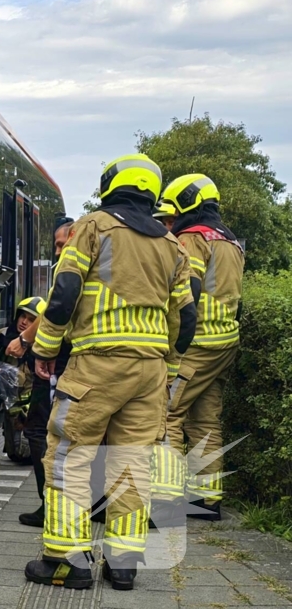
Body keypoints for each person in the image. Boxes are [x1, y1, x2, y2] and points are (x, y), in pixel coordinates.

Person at [22, 154, 197, 592]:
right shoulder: (172, 245)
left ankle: (67, 561)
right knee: (132, 464)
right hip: (150, 371)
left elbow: (64, 291)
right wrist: (170, 367)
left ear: (110, 186)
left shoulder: (93, 227)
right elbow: (186, 319)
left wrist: (46, 348)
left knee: (70, 457)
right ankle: (122, 565)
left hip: (97, 364)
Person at [157, 174, 244, 521]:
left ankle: (163, 501)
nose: (173, 220)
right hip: (224, 343)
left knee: (166, 415)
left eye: (174, 212)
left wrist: (173, 343)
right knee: (206, 420)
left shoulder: (192, 238)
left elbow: (187, 293)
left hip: (196, 344)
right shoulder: (231, 240)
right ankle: (206, 501)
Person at [7, 219, 74, 528]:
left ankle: (50, 505)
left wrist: (28, 343)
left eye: (61, 244)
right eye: (56, 246)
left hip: (61, 361)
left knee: (41, 431)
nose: (58, 252)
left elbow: (54, 311)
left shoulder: (73, 267)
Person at [0, 296, 46, 460]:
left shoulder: (44, 344)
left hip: (34, 407)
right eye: (23, 316)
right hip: (10, 407)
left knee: (32, 453)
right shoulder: (2, 337)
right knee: (15, 454)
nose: (24, 322)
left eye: (31, 320)